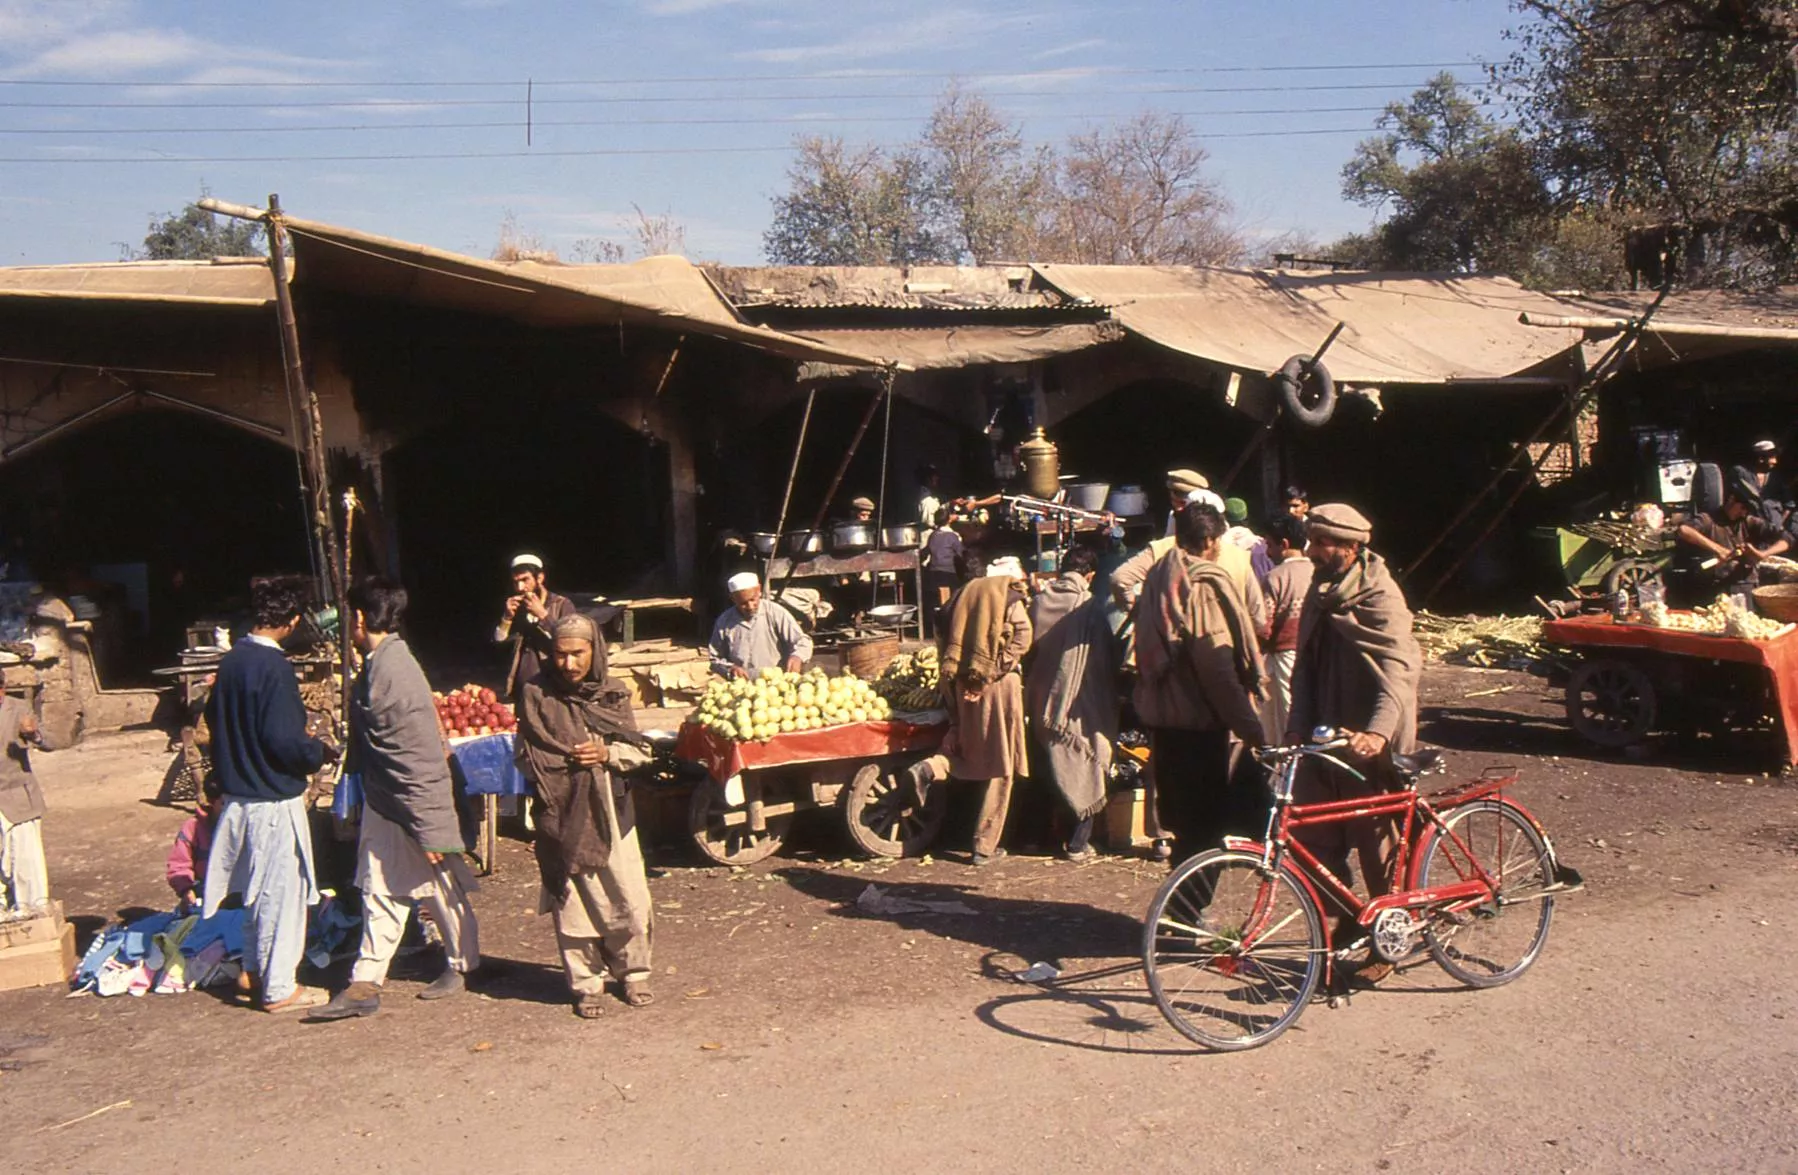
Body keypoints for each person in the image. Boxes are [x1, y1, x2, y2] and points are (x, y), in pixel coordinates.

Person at [313, 578, 481, 1021]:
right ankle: (366, 981)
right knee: (379, 885)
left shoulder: (395, 671)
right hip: (386, 799)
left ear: (360, 617)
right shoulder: (378, 664)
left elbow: (418, 754)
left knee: (440, 883)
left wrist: (431, 825)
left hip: (413, 800)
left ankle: (464, 962)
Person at [1286, 503, 1423, 982]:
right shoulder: (1319, 593)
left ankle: (1390, 939)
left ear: (1349, 547)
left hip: (1370, 739)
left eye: (1321, 543)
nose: (1311, 550)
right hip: (1326, 734)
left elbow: (1399, 673)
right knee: (1309, 830)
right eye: (1311, 540)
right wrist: (1295, 726)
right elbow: (1303, 665)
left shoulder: (1381, 596)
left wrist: (1378, 732)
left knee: (1376, 842)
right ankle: (1344, 916)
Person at [515, 614, 657, 1019]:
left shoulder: (612, 694)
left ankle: (634, 971)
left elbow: (640, 751)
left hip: (611, 811)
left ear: (594, 651)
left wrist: (607, 755)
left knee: (629, 895)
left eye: (578, 654)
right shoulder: (534, 695)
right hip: (561, 810)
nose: (569, 665)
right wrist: (558, 768)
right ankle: (585, 983)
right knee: (573, 900)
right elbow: (523, 754)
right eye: (560, 655)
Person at [202, 579, 332, 1013]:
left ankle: (254, 970)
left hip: (240, 797)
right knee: (282, 894)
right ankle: (280, 987)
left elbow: (215, 723)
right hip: (273, 798)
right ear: (292, 621)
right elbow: (283, 740)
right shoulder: (273, 668)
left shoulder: (233, 660)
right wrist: (316, 751)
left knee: (256, 895)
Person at [1132, 500, 1266, 866]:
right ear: (1211, 542)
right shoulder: (1201, 584)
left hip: (1163, 716)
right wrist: (1250, 726)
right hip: (1197, 720)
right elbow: (1217, 669)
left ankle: (1180, 910)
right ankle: (1190, 911)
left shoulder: (1161, 573)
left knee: (1183, 821)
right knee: (1207, 824)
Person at [904, 560, 1033, 866]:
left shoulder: (951, 605)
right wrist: (993, 668)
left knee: (966, 749)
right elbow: (1024, 636)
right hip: (996, 686)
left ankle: (930, 768)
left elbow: (943, 655)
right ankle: (984, 846)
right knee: (1003, 765)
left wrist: (956, 703)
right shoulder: (1004, 595)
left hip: (961, 686)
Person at [1024, 546, 1116, 862]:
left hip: (1039, 695)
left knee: (1045, 767)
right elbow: (1104, 656)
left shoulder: (1038, 602)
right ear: (1089, 575)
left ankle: (1036, 838)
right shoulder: (1088, 607)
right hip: (1074, 700)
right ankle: (1078, 843)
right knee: (1088, 759)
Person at [1674, 473, 1788, 601]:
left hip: (1745, 586)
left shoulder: (1749, 522)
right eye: (1742, 508)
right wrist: (1719, 550)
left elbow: (1786, 538)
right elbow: (1684, 530)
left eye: (1747, 510)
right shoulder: (1708, 520)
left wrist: (1763, 554)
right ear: (1732, 499)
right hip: (1716, 587)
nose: (1743, 513)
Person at [1258, 513, 1315, 742]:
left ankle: (1287, 770)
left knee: (1286, 718)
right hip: (1314, 653)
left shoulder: (1275, 577)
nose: (1267, 552)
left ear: (1284, 544)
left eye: (1269, 545)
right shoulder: (1317, 572)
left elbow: (1263, 626)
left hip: (1284, 655)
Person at [495, 554, 576, 703]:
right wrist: (506, 618)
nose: (520, 588)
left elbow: (571, 642)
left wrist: (543, 616)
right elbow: (499, 644)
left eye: (525, 580)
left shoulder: (562, 605)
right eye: (516, 582)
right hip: (523, 690)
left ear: (540, 578)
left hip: (553, 691)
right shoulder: (516, 608)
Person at [708, 573, 812, 678]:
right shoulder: (724, 621)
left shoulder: (775, 613)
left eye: (753, 599)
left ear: (759, 590)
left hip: (776, 683)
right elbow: (715, 659)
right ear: (733, 599)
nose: (750, 606)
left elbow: (803, 641)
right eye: (743, 603)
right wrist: (730, 668)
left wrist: (797, 656)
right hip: (742, 687)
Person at [0, 693, 47, 914]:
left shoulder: (19, 708)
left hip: (16, 796)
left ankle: (32, 914)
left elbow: (55, 740)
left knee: (26, 864)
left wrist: (34, 735)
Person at [166, 776, 221, 915]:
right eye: (225, 803)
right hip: (204, 891)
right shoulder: (192, 827)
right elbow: (179, 864)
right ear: (212, 801)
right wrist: (186, 890)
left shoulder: (248, 826)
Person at [916, 464, 944, 530]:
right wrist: (948, 520)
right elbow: (929, 523)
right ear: (927, 478)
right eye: (934, 476)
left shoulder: (930, 496)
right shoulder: (927, 500)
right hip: (929, 536)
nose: (937, 478)